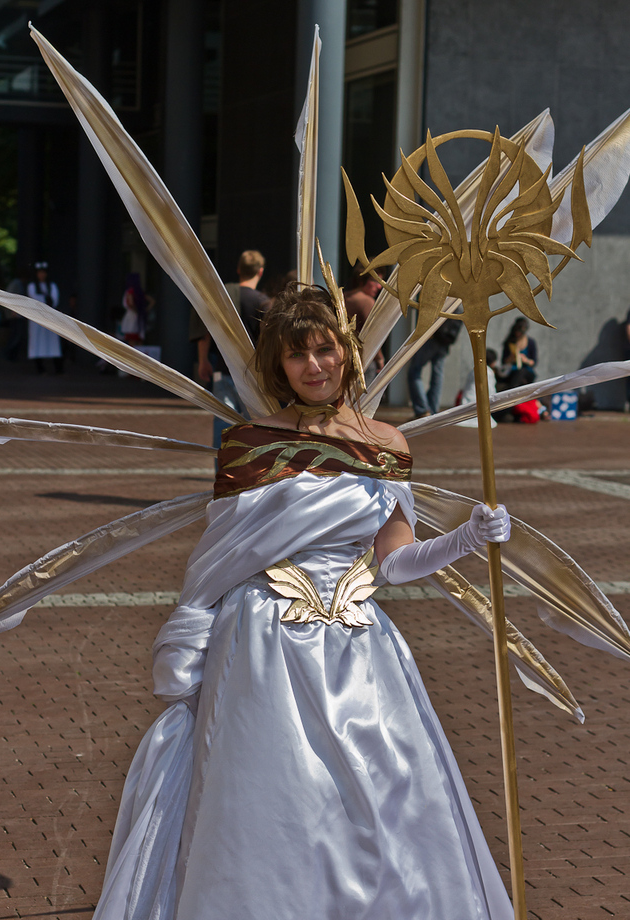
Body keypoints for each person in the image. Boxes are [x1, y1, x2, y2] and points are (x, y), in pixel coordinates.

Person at [92, 283, 513, 920]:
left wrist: (466, 539)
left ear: (349, 350)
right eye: (297, 355)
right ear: (278, 366)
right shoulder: (249, 444)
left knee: (381, 794)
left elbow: (395, 563)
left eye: (325, 349)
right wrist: (190, 634)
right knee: (274, 795)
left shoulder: (388, 446)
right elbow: (217, 560)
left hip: (359, 645)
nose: (315, 366)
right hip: (263, 641)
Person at [190, 249, 270, 447]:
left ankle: (223, 469)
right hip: (253, 376)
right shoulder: (263, 302)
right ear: (260, 272)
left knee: (223, 424)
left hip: (223, 371)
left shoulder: (223, 298)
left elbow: (206, 332)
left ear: (238, 270)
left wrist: (203, 361)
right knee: (256, 425)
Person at [408, 315, 462, 417]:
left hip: (432, 337)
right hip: (445, 342)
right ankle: (432, 410)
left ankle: (422, 409)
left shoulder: (440, 299)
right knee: (438, 375)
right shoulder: (457, 304)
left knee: (414, 371)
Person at [344, 263, 385, 384]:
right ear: (362, 279)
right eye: (375, 281)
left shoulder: (344, 297)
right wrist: (380, 359)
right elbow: (372, 334)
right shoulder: (367, 301)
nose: (379, 287)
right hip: (363, 361)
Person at [27, 263, 63, 374]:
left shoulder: (52, 286)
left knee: (52, 343)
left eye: (43, 273)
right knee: (37, 343)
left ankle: (58, 368)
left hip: (50, 318)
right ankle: (40, 368)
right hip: (37, 319)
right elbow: (34, 300)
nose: (42, 275)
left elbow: (54, 300)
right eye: (39, 273)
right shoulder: (32, 286)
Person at [457, 348, 498, 428]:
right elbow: (491, 391)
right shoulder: (489, 372)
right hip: (479, 403)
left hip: (466, 401)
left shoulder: (474, 369)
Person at [120, 273, 155, 346]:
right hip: (139, 316)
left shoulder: (130, 291)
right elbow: (152, 301)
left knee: (132, 339)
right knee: (138, 339)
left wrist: (137, 310)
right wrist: (144, 310)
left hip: (132, 316)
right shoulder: (139, 291)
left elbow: (130, 304)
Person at [501, 316, 537, 384]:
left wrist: (525, 360)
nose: (518, 334)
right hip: (512, 370)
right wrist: (511, 358)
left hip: (526, 371)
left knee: (521, 372)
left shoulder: (531, 342)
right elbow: (503, 361)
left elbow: (534, 362)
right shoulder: (510, 342)